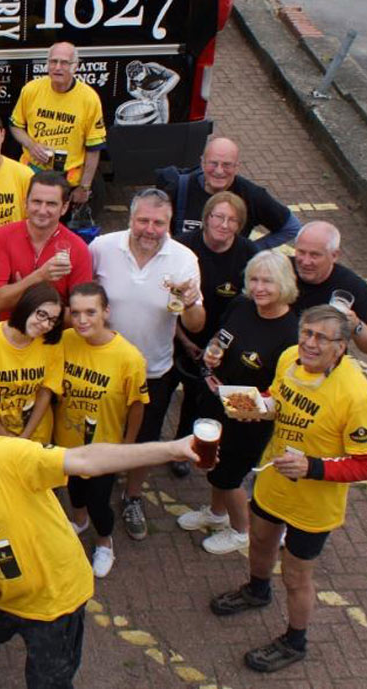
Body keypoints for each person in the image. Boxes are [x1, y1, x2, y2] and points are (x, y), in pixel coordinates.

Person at [0, 394, 197, 688]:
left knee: (48, 681)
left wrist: (171, 449)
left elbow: (85, 460)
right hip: (1, 593)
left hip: (54, 601)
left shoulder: (4, 453)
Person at [209, 305, 367, 672]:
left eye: (321, 337)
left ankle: (295, 641)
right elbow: (278, 398)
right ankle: (256, 590)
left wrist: (312, 467)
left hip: (314, 505)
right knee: (258, 539)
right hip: (274, 480)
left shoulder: (357, 396)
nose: (309, 343)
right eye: (306, 332)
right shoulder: (290, 357)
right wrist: (252, 404)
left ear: (341, 347)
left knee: (295, 575)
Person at [89, 188, 204, 538]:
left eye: (159, 222)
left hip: (154, 369)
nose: (150, 229)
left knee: (145, 439)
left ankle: (133, 496)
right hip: (100, 366)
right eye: (143, 220)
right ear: (130, 219)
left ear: (169, 224)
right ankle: (90, 486)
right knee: (95, 428)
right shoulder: (102, 248)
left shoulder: (184, 259)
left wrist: (189, 303)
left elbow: (197, 324)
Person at [177, 251, 299, 554]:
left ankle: (240, 531)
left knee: (229, 477)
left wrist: (242, 404)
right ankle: (216, 515)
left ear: (284, 283)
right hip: (217, 402)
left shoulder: (291, 333)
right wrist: (213, 351)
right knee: (213, 466)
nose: (258, 288)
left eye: (267, 281)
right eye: (254, 279)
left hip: (249, 420)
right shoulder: (242, 305)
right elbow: (221, 336)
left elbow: (284, 392)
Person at [57, 283, 149, 578]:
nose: (82, 320)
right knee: (74, 490)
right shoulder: (64, 340)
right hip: (67, 441)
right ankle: (80, 522)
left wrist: (127, 448)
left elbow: (137, 405)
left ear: (106, 312)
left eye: (90, 312)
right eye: (76, 312)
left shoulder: (129, 357)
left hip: (104, 447)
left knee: (100, 501)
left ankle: (104, 541)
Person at [170, 191, 259, 452]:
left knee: (200, 400)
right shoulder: (183, 248)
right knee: (162, 395)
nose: (224, 224)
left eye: (232, 220)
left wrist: (219, 344)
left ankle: (188, 446)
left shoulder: (247, 253)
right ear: (206, 218)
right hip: (177, 335)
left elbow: (248, 306)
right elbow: (166, 303)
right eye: (218, 217)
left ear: (240, 225)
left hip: (219, 344)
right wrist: (185, 341)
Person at [0, 283, 64, 443]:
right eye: (41, 314)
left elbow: (45, 392)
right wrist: (2, 435)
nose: (45, 325)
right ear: (27, 306)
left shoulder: (50, 343)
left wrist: (25, 437)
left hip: (35, 435)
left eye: (52, 320)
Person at [157, 137, 302, 249]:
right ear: (202, 163)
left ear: (237, 167)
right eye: (213, 163)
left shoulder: (251, 195)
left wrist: (252, 250)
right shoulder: (180, 187)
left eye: (227, 165)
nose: (219, 171)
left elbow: (292, 227)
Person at [9, 42, 106, 207]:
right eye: (53, 62)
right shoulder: (31, 90)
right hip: (32, 173)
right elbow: (15, 126)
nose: (57, 67)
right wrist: (32, 145)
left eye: (64, 63)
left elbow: (94, 148)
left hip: (68, 180)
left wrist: (84, 187)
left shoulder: (89, 99)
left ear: (75, 67)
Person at [0, 171, 93, 319]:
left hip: (55, 339)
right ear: (25, 202)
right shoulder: (3, 236)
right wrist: (39, 276)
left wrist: (22, 294)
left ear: (64, 208)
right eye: (37, 202)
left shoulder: (78, 248)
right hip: (10, 336)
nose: (42, 210)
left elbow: (81, 315)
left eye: (51, 204)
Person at [291, 221, 367, 357]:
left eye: (315, 255)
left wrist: (356, 326)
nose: (305, 261)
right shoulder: (282, 270)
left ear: (334, 256)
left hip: (321, 366)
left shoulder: (352, 286)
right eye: (301, 252)